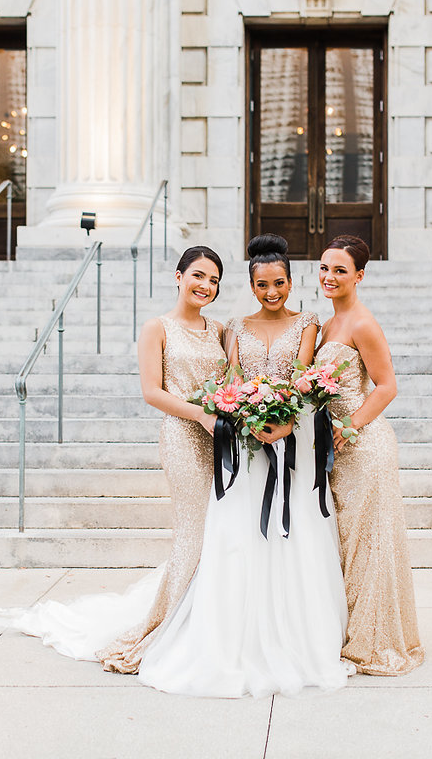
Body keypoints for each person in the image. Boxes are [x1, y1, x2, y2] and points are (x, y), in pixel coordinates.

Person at [0, 247, 227, 673]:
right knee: (193, 534)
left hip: (223, 439)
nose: (206, 286)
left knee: (221, 530)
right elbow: (152, 391)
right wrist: (200, 414)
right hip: (184, 437)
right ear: (178, 276)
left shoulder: (218, 330)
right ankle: (170, 626)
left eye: (214, 280)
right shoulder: (156, 327)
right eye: (198, 275)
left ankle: (209, 619)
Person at [137, 234, 350, 698]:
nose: (271, 292)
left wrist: (285, 419)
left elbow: (301, 374)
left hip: (294, 437)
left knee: (295, 535)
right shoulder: (231, 327)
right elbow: (230, 380)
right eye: (261, 284)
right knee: (239, 532)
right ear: (251, 285)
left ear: (291, 281)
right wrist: (248, 418)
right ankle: (235, 630)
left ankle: (299, 634)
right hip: (244, 439)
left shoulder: (309, 321)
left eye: (279, 283)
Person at [314, 234, 425, 676]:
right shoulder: (325, 326)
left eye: (340, 270)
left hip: (366, 445)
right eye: (324, 267)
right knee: (346, 541)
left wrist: (352, 425)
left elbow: (387, 386)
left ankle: (374, 640)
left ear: (359, 275)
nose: (329, 276)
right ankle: (349, 629)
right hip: (338, 448)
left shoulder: (362, 323)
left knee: (370, 542)